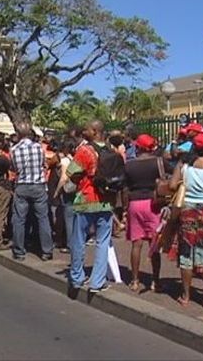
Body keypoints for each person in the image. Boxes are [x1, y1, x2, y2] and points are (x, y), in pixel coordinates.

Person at [170, 132, 203, 307]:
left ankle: (186, 295)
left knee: (186, 252)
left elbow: (172, 185)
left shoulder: (184, 165)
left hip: (188, 211)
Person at [66, 120, 114, 293]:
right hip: (106, 201)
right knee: (103, 242)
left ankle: (77, 277)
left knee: (79, 240)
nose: (83, 131)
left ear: (94, 131)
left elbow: (71, 172)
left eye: (86, 129)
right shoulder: (111, 150)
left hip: (86, 200)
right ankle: (97, 281)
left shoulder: (85, 151)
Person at [124, 134, 169, 292]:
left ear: (138, 147)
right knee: (154, 244)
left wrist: (124, 208)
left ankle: (135, 280)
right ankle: (155, 281)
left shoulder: (129, 165)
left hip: (135, 203)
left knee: (136, 244)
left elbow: (125, 187)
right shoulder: (159, 162)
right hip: (154, 204)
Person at [10, 122, 54, 261]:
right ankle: (46, 250)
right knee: (43, 218)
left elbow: (14, 168)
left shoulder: (14, 150)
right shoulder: (38, 148)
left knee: (19, 219)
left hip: (22, 184)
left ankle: (19, 250)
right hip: (38, 185)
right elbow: (42, 164)